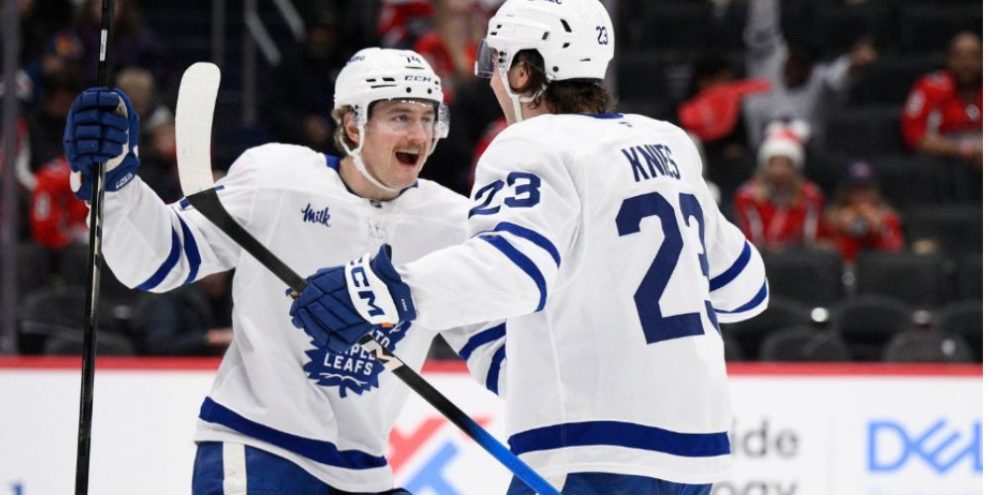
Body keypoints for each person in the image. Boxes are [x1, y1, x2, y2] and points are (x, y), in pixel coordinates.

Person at [289, 1, 769, 493]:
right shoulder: (668, 143)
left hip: (591, 451)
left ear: (523, 72)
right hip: (699, 454)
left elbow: (513, 275)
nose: (491, 81)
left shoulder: (533, 143)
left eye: (496, 63)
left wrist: (378, 290)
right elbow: (745, 289)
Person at [63, 47, 507, 494]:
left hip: (363, 472)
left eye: (428, 119)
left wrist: (568, 436)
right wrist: (116, 185)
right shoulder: (277, 180)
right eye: (400, 116)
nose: (419, 133)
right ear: (353, 124)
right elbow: (160, 260)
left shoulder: (450, 223)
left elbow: (499, 353)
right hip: (257, 448)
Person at [742, 0, 876, 151]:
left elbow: (838, 78)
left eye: (802, 66)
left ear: (811, 67)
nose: (796, 70)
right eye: (794, 62)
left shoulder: (820, 80)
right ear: (789, 55)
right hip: (757, 150)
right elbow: (762, 26)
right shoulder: (767, 58)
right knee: (751, 103)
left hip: (804, 156)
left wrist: (854, 65)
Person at [901, 31, 982, 201]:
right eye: (960, 56)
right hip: (942, 170)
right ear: (949, 59)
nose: (966, 63)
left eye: (973, 56)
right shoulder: (930, 87)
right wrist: (965, 150)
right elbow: (915, 137)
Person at [733, 121, 828, 252]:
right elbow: (750, 240)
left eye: (786, 165)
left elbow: (812, 239)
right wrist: (766, 204)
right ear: (764, 167)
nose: (779, 171)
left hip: (798, 260)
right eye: (774, 164)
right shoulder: (747, 196)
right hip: (759, 258)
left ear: (795, 168)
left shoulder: (810, 196)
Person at [824, 160, 903, 263]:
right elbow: (822, 252)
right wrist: (838, 231)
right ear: (847, 191)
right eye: (856, 188)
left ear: (874, 190)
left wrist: (881, 230)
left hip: (879, 269)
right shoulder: (833, 218)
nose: (861, 193)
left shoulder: (888, 217)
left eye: (866, 188)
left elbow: (897, 253)